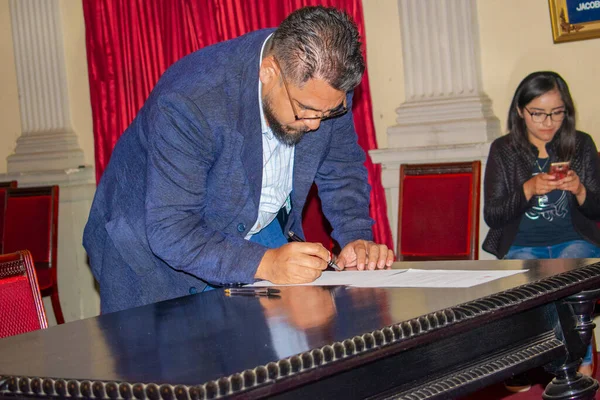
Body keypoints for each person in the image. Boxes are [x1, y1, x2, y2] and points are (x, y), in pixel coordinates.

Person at [83, 6, 395, 314]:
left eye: (329, 112)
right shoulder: (191, 101)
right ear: (269, 71)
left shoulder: (325, 89)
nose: (316, 123)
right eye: (306, 111)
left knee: (274, 353)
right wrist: (267, 262)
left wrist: (355, 236)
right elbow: (172, 229)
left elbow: (341, 169)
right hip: (150, 250)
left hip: (249, 221)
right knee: (177, 361)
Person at [482, 71, 600, 391]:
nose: (548, 122)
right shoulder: (504, 150)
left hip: (574, 240)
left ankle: (576, 359)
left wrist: (579, 190)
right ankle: (528, 365)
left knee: (570, 275)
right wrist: (529, 188)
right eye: (538, 113)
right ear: (520, 111)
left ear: (567, 111)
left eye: (557, 112)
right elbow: (492, 214)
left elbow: (597, 208)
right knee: (532, 284)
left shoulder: (581, 144)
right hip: (521, 245)